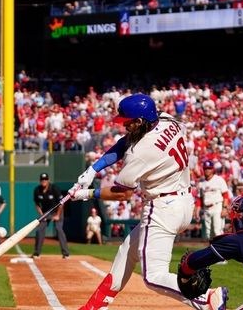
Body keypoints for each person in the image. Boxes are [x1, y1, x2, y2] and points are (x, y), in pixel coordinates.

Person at [69, 93, 227, 310]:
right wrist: (93, 169)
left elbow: (122, 193)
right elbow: (124, 143)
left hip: (161, 208)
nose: (124, 126)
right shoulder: (166, 119)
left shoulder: (141, 152)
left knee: (153, 277)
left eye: (128, 122)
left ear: (140, 121)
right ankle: (94, 307)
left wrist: (84, 194)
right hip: (182, 202)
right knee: (128, 251)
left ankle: (207, 297)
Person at [33, 172, 70, 259]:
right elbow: (37, 204)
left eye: (45, 179)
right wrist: (41, 215)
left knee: (59, 229)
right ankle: (37, 253)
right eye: (42, 179)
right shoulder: (37, 190)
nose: (44, 181)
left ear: (48, 180)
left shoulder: (54, 188)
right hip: (46, 212)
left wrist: (57, 215)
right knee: (39, 230)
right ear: (40, 181)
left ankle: (66, 253)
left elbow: (62, 203)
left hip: (57, 211)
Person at [197, 161, 230, 239]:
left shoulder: (219, 180)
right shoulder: (202, 183)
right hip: (206, 209)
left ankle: (220, 250)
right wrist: (197, 211)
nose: (207, 170)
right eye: (205, 168)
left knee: (217, 231)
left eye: (209, 168)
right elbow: (199, 199)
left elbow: (225, 195)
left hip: (217, 207)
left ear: (212, 169)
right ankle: (210, 250)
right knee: (207, 234)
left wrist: (224, 209)